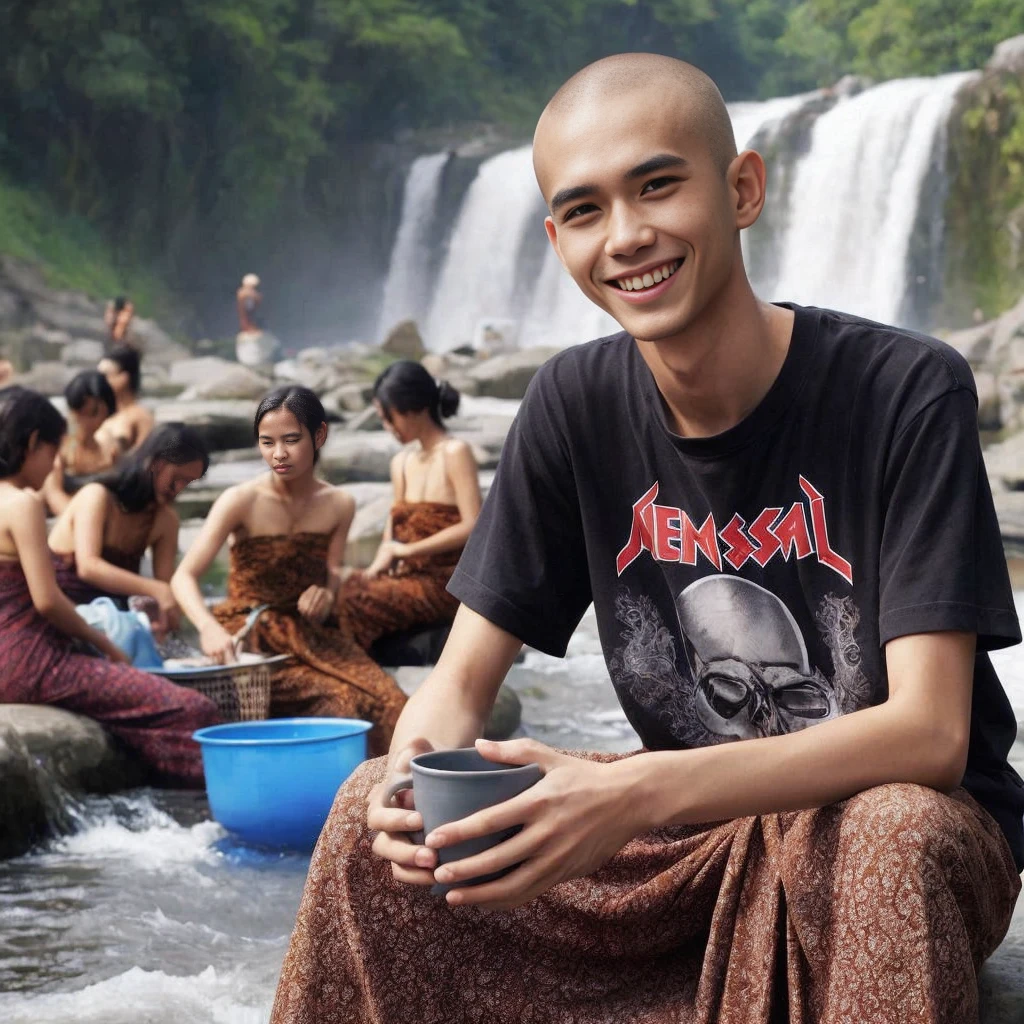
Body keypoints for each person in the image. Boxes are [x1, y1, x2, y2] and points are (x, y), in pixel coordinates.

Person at [270, 54, 1023, 1024]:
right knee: (364, 809)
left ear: (741, 187)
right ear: (555, 237)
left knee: (890, 835)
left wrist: (628, 794)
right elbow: (456, 686)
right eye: (584, 211)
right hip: (685, 823)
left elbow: (929, 731)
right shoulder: (572, 406)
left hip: (880, 815)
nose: (626, 237)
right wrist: (410, 784)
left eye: (657, 185)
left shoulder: (903, 390)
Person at [171, 386, 408, 756]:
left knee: (394, 703)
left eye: (291, 440)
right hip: (249, 638)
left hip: (313, 635)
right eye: (267, 442)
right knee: (342, 705)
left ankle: (397, 800)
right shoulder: (240, 500)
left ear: (320, 436)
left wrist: (327, 594)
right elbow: (183, 576)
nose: (278, 454)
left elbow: (332, 571)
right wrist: (207, 627)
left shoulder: (339, 504)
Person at [0, 387, 217, 784]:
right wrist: (106, 647)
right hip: (32, 662)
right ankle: (203, 804)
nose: (53, 465)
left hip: (24, 656)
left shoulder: (162, 518)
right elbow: (48, 601)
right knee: (196, 711)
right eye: (51, 452)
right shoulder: (22, 503)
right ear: (33, 443)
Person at [335, 361, 481, 652]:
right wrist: (376, 567)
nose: (389, 428)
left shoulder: (455, 452)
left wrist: (408, 551)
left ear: (416, 408)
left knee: (349, 602)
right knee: (333, 589)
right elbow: (394, 529)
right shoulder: (400, 463)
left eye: (391, 417)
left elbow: (473, 525)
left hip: (445, 582)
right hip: (406, 578)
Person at [48, 423, 208, 639]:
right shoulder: (96, 496)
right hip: (62, 617)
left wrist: (166, 618)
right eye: (176, 478)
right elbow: (88, 567)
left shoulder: (165, 520)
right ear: (155, 463)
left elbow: (167, 591)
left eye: (187, 483)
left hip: (115, 626)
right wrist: (157, 590)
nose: (178, 489)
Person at [41, 370, 119, 515]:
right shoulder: (59, 446)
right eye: (88, 412)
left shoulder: (109, 444)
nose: (88, 421)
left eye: (96, 412)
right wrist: (83, 522)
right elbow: (53, 494)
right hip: (66, 522)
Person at [95, 345, 154, 453]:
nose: (100, 382)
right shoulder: (102, 414)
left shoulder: (140, 416)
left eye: (106, 376)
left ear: (124, 377)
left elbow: (147, 456)